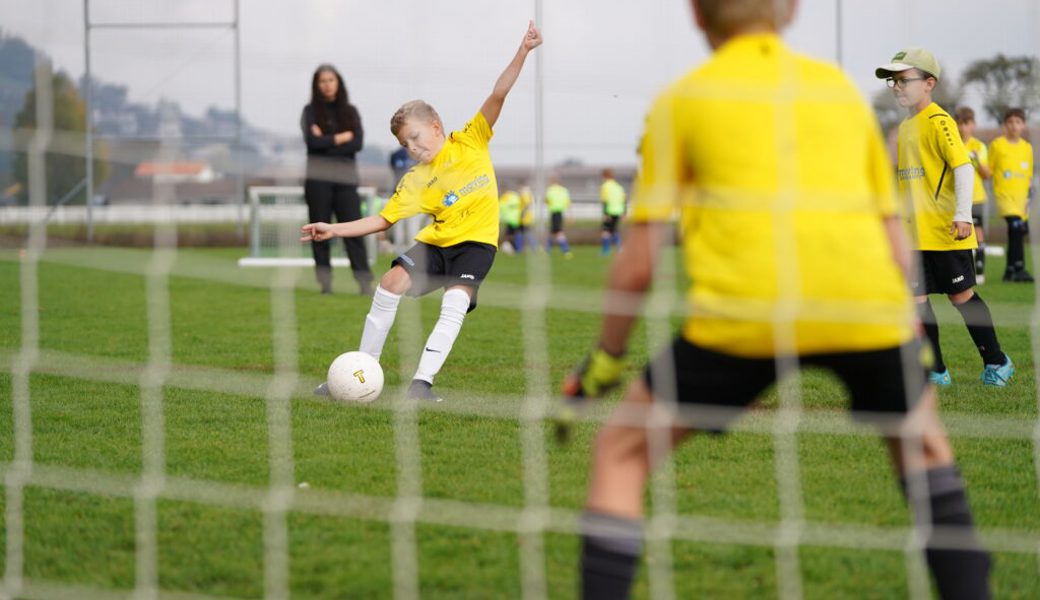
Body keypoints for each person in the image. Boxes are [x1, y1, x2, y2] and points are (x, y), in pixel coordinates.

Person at [566, 2, 991, 598]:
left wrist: (605, 362)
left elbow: (637, 264)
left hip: (743, 317)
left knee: (619, 450)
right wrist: (910, 341)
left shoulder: (683, 100)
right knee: (922, 447)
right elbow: (894, 242)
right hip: (862, 312)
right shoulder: (838, 94)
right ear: (791, 11)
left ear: (695, 14)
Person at [303, 21, 543, 402]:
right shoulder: (415, 180)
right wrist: (334, 230)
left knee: (455, 301)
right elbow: (382, 220)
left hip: (477, 245)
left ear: (436, 127)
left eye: (415, 138)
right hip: (436, 244)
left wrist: (524, 50)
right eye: (404, 143)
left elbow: (499, 92)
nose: (412, 147)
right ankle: (360, 373)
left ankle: (421, 385)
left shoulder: (471, 140)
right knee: (389, 283)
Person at [877, 48, 1013, 387]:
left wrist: (964, 215)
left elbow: (964, 168)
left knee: (961, 297)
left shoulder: (940, 121)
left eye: (903, 80)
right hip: (913, 235)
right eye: (893, 81)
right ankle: (936, 370)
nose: (896, 87)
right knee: (917, 304)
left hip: (945, 231)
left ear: (929, 83)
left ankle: (997, 362)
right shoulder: (906, 127)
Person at [301, 64, 373, 295]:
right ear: (316, 84)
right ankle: (325, 284)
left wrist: (326, 141)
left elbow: (358, 143)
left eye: (331, 80)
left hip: (345, 180)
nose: (327, 85)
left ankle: (364, 283)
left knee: (353, 230)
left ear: (338, 82)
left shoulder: (350, 111)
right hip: (318, 181)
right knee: (319, 233)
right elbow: (312, 144)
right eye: (323, 81)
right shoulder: (309, 111)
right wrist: (342, 137)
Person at [989, 107, 1035, 283]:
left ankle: (1009, 272)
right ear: (1004, 125)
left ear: (1023, 125)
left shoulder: (1027, 148)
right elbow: (989, 171)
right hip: (1005, 197)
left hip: (1021, 200)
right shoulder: (997, 145)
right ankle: (1019, 268)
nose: (1014, 126)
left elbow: (1029, 177)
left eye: (1017, 122)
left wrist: (1029, 199)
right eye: (1010, 122)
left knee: (1019, 231)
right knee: (1015, 228)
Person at [955, 107, 992, 282]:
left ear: (973, 125)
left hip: (976, 197)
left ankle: (980, 269)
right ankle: (961, 272)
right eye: (960, 123)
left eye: (966, 123)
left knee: (978, 235)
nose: (963, 128)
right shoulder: (953, 143)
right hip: (956, 198)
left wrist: (976, 159)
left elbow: (987, 174)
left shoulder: (979, 146)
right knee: (958, 234)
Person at [545, 175, 573, 257]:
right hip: (560, 212)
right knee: (552, 231)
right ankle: (547, 249)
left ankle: (566, 249)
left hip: (554, 212)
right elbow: (568, 203)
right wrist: (570, 215)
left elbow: (546, 201)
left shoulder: (550, 190)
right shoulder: (564, 190)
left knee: (558, 232)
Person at [599, 168, 625, 255]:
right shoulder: (618, 186)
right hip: (619, 210)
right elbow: (623, 200)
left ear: (604, 176)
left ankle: (605, 251)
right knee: (614, 230)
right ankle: (620, 248)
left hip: (609, 210)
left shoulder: (605, 186)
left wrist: (605, 213)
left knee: (605, 231)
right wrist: (624, 212)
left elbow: (605, 201)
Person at [500, 184, 524, 253]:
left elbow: (500, 206)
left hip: (509, 219)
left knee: (510, 235)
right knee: (514, 234)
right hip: (516, 218)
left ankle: (515, 248)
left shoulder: (505, 197)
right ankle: (517, 248)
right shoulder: (515, 195)